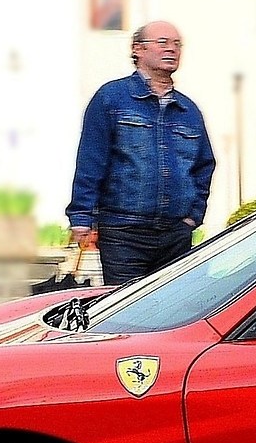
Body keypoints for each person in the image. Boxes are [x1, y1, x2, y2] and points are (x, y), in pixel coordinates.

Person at [67, 20, 217, 285]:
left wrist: (193, 216)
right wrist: (82, 217)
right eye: (162, 42)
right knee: (126, 314)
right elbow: (91, 160)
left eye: (177, 44)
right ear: (137, 49)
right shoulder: (111, 98)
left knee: (173, 312)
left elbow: (204, 166)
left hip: (175, 234)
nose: (171, 49)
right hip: (123, 232)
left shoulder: (189, 110)